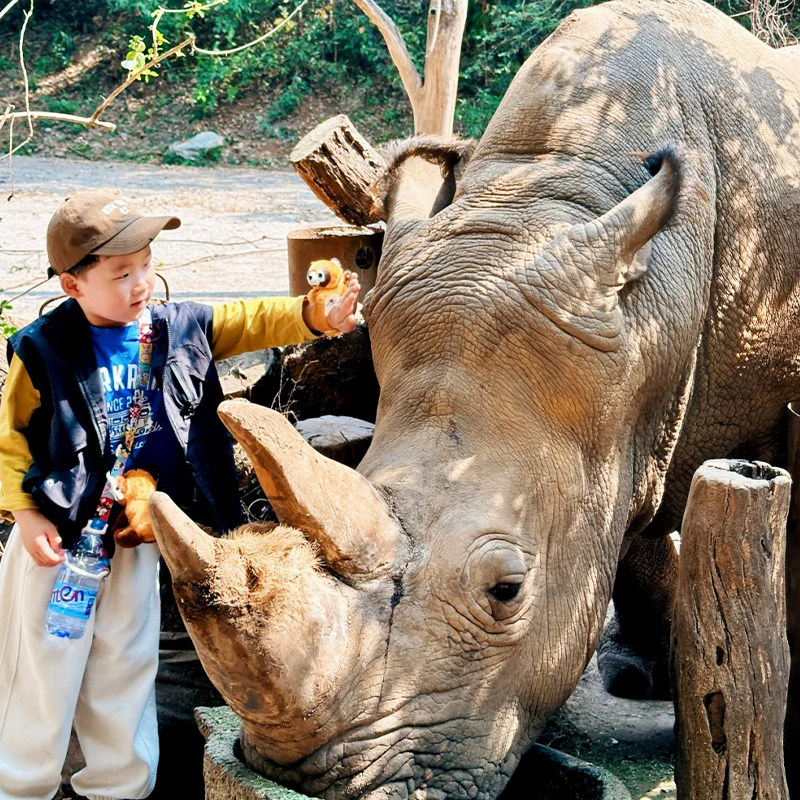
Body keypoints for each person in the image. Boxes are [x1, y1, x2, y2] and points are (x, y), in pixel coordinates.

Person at [0, 190, 360, 800]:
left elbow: (248, 319)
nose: (141, 283)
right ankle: (21, 784)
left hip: (133, 538)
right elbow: (9, 438)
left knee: (126, 663)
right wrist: (26, 513)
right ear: (72, 286)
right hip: (57, 544)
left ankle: (116, 785)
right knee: (39, 669)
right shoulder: (43, 349)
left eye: (146, 265)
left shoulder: (179, 328)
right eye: (121, 274)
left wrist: (313, 316)